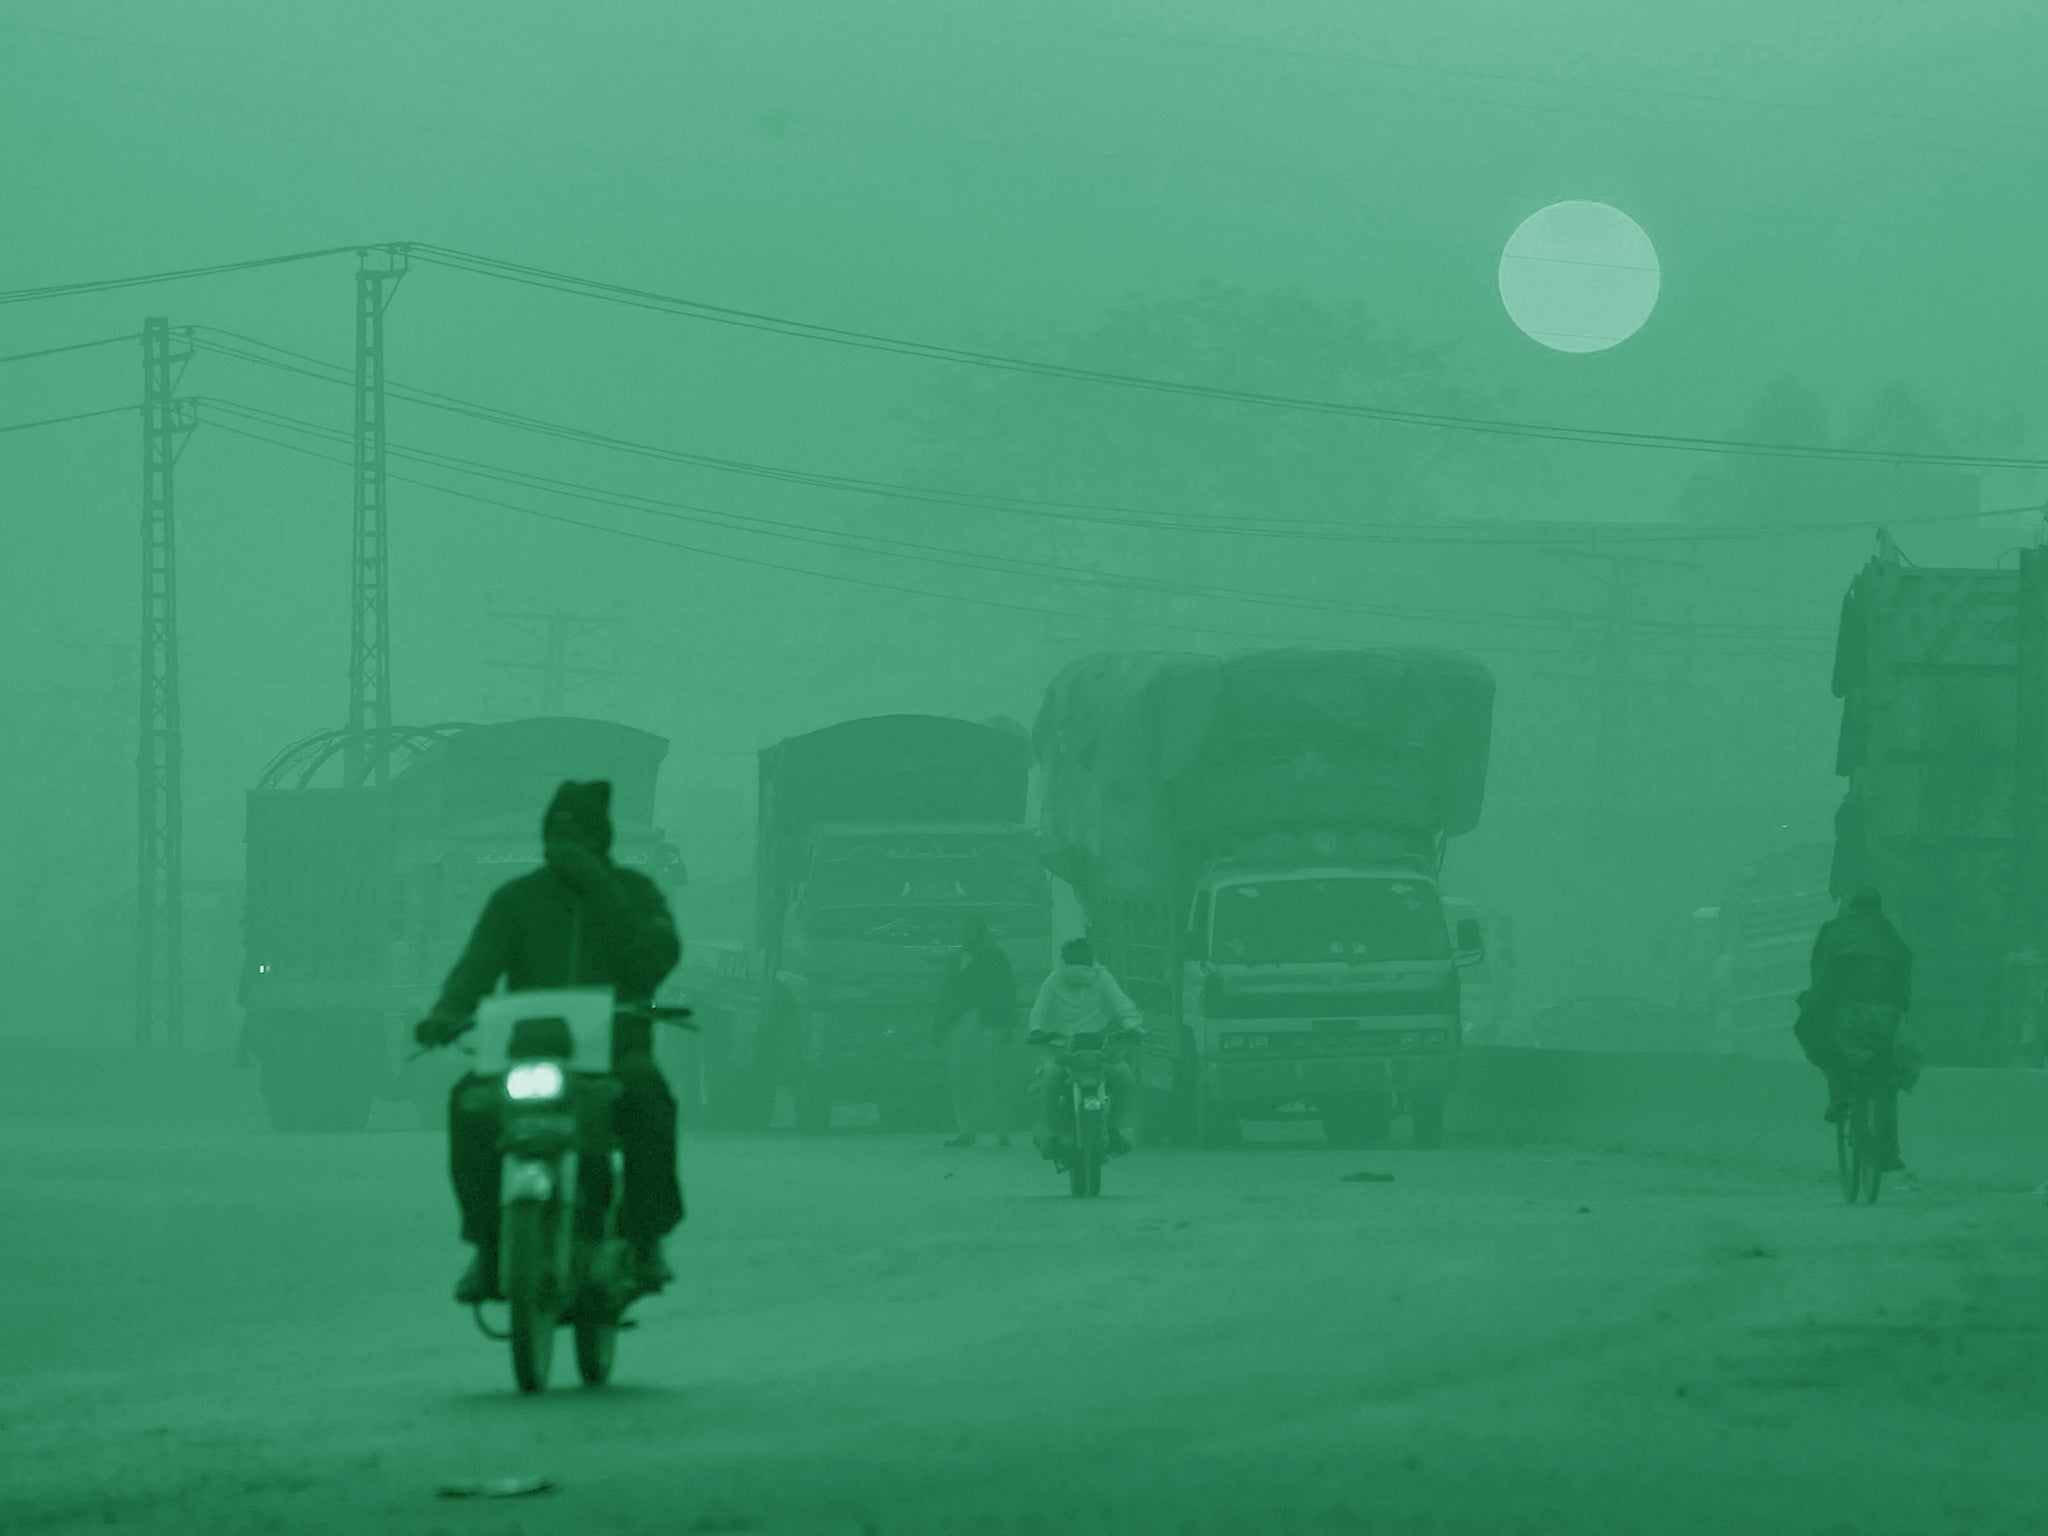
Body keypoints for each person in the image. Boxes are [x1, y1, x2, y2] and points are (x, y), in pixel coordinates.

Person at [414, 781, 685, 1303]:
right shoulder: (514, 900)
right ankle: (490, 1249)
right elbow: (476, 967)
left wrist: (603, 891)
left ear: (599, 839)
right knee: (468, 1106)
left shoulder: (636, 892)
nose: (564, 845)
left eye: (577, 835)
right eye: (556, 833)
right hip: (522, 1056)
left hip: (615, 1055)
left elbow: (655, 958)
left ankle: (646, 1239)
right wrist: (446, 1015)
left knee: (649, 1096)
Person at [1797, 886, 1913, 1171]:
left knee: (1822, 1040)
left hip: (1846, 1012)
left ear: (1850, 905)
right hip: (1886, 1014)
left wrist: (1811, 1004)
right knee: (1886, 1076)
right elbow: (1904, 977)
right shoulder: (1891, 934)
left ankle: (1839, 1096)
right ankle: (1888, 1149)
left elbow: (1820, 973)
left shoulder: (1833, 930)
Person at [1026, 937, 1144, 1159]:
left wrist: (1133, 1027)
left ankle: (1113, 1128)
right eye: (1074, 960)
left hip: (1099, 1048)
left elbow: (1122, 1005)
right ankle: (1053, 1134)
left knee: (1123, 1076)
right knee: (1051, 1078)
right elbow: (1038, 1013)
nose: (1079, 967)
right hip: (1062, 1049)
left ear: (1092, 960)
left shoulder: (1103, 978)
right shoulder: (1053, 982)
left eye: (1083, 959)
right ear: (1064, 961)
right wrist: (1036, 1031)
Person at [932, 916, 1020, 1148]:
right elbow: (945, 996)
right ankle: (965, 1131)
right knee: (959, 1080)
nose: (965, 934)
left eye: (969, 930)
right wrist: (939, 1025)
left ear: (980, 932)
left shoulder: (996, 958)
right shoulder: (955, 960)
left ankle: (1001, 1132)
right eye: (963, 930)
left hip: (988, 1026)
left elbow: (1008, 992)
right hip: (956, 1027)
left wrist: (1008, 1025)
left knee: (990, 1079)